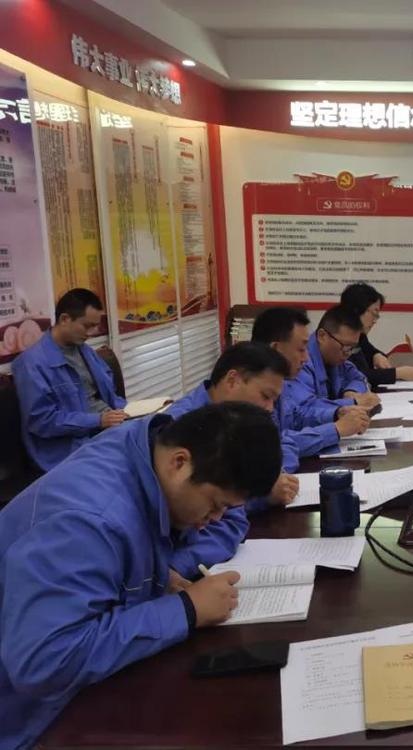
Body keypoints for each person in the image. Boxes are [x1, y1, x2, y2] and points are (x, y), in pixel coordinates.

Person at [0, 403, 283, 748]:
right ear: (180, 462)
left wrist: (157, 573)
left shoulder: (146, 450)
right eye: (214, 505)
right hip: (27, 720)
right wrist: (186, 610)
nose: (215, 519)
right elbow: (43, 663)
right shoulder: (88, 522)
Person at [166, 342, 299, 516]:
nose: (270, 408)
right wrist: (262, 494)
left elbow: (284, 443)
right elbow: (194, 510)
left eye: (274, 400)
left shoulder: (242, 417)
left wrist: (273, 475)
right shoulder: (181, 426)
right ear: (232, 381)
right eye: (266, 396)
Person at [12, 288, 127, 471]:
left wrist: (131, 411)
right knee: (129, 466)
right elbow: (42, 421)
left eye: (95, 326)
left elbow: (108, 394)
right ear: (65, 319)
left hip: (106, 427)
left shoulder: (85, 351)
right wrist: (98, 420)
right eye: (87, 326)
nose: (92, 332)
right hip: (70, 445)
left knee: (159, 435)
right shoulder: (31, 364)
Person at [251, 306, 370, 463]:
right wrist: (336, 429)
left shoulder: (277, 380)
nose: (306, 358)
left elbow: (294, 416)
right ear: (275, 349)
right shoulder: (249, 388)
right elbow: (276, 448)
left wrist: (335, 413)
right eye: (301, 349)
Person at [286, 306, 380, 428]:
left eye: (352, 348)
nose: (348, 353)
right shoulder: (300, 362)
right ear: (322, 336)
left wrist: (351, 391)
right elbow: (302, 410)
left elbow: (358, 377)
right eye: (345, 346)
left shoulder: (335, 357)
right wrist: (353, 402)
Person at [339, 283, 413, 385]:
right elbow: (358, 375)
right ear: (357, 310)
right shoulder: (339, 339)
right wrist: (397, 374)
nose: (375, 321)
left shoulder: (359, 335)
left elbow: (372, 351)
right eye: (374, 314)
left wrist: (376, 355)